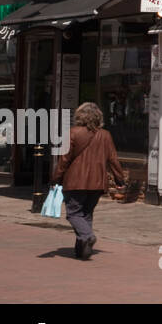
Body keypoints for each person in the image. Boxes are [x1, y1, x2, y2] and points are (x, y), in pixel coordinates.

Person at [51, 102, 128, 260]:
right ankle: (82, 251)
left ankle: (87, 236)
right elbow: (113, 159)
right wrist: (119, 180)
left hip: (75, 182)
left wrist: (56, 178)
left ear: (79, 116)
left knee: (73, 214)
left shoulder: (72, 133)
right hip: (97, 182)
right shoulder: (105, 135)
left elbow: (64, 160)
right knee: (86, 214)